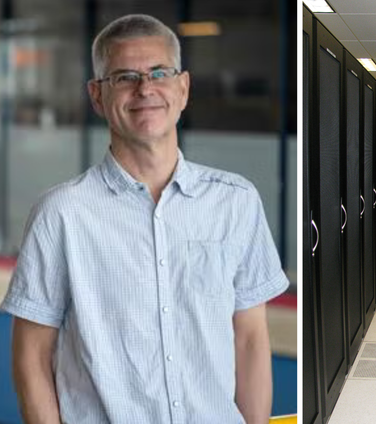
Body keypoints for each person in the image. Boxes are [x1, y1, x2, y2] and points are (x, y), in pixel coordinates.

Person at [0, 14, 289, 424]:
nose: (145, 88)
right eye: (124, 77)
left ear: (183, 87)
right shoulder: (62, 214)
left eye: (159, 72)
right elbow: (31, 357)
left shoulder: (236, 202)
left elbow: (250, 340)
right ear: (97, 96)